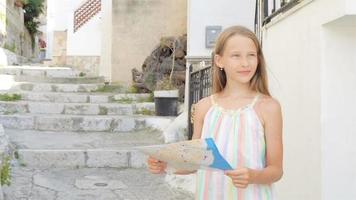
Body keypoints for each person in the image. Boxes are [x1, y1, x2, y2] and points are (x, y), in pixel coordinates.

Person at [147, 25, 283, 199]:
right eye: (236, 56)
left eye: (251, 55)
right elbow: (196, 161)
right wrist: (165, 165)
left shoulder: (269, 107)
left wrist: (253, 176)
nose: (245, 63)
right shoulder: (205, 107)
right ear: (219, 61)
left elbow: (276, 170)